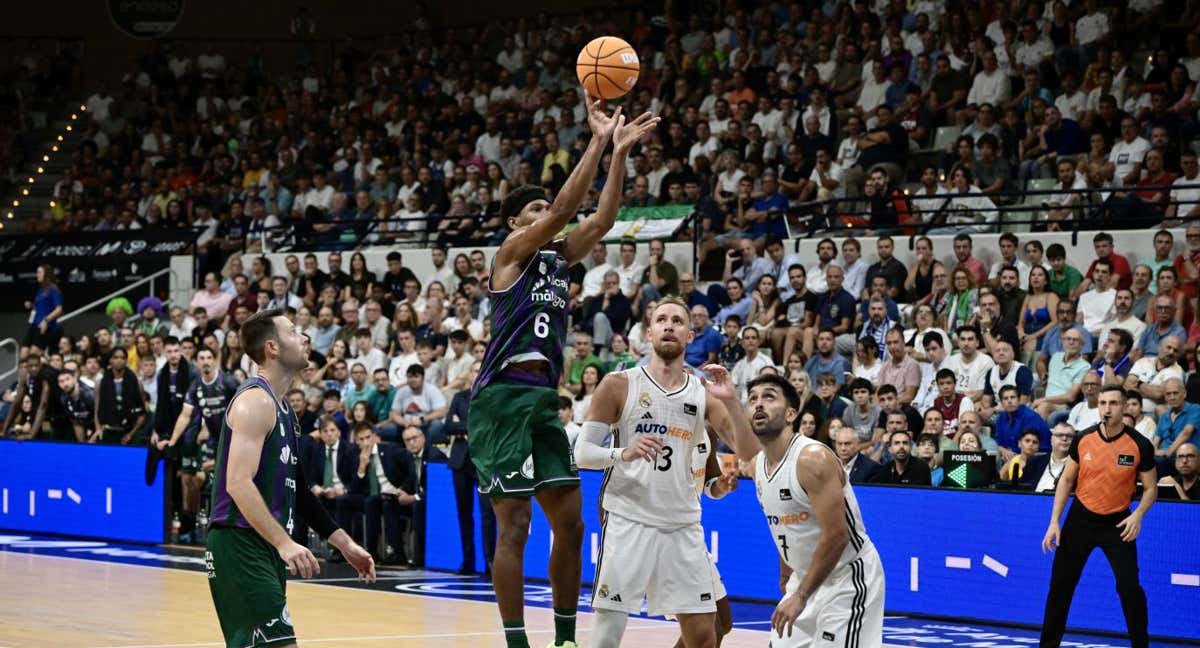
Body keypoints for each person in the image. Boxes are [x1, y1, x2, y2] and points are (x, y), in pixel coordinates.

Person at [467, 101, 657, 648]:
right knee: (516, 527)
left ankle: (566, 639)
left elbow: (602, 219)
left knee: (571, 524)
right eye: (538, 211)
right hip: (501, 399)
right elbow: (568, 209)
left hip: (543, 402)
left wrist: (618, 153)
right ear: (515, 223)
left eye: (546, 211)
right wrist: (594, 142)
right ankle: (517, 642)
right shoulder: (511, 253)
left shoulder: (556, 260)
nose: (549, 215)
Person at [574, 298, 751, 648]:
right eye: (661, 319)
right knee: (607, 635)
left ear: (690, 335)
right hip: (628, 517)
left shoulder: (703, 393)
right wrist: (622, 452)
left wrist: (731, 400)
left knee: (706, 634)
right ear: (649, 331)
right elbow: (582, 454)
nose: (669, 325)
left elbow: (746, 449)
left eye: (677, 321)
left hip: (682, 524)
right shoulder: (618, 384)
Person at [205, 309, 375, 648]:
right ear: (272, 348)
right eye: (294, 332)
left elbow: (301, 493)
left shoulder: (286, 412)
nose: (304, 339)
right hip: (239, 543)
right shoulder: (255, 401)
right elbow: (237, 482)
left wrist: (344, 544)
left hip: (263, 545)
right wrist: (285, 542)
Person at [744, 374, 885, 648]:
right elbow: (784, 523)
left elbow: (836, 536)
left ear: (790, 414)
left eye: (769, 396)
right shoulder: (757, 466)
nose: (759, 404)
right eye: (753, 399)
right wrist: (786, 572)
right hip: (805, 577)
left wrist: (801, 595)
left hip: (847, 576)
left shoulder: (812, 459)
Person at [1040, 386, 1157, 648]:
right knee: (1061, 586)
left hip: (1118, 522)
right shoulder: (1083, 438)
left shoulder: (1140, 444)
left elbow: (1150, 488)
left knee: (1129, 588)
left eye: (1113, 403)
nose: (1107, 408)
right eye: (1103, 403)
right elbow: (1066, 479)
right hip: (1080, 519)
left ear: (1124, 406)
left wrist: (1138, 515)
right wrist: (1054, 522)